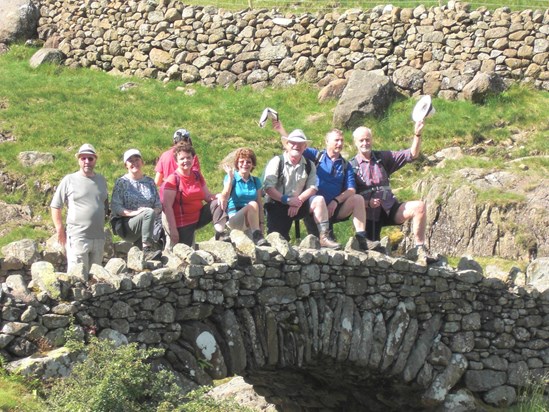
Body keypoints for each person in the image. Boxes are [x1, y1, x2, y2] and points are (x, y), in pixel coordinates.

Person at [273, 121, 382, 252]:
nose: (340, 144)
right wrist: (281, 130)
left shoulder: (346, 165)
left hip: (335, 208)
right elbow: (296, 146)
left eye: (342, 141)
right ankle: (325, 237)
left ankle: (362, 239)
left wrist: (336, 201)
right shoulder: (316, 156)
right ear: (327, 142)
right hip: (314, 206)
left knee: (358, 199)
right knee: (321, 245)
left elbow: (351, 190)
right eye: (336, 140)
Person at [351, 122, 437, 263]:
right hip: (369, 216)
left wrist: (417, 134)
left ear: (372, 140)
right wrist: (367, 203)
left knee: (419, 207)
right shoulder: (351, 166)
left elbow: (412, 154)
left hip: (389, 208)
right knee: (372, 258)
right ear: (355, 142)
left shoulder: (383, 158)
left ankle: (419, 249)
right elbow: (350, 197)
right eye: (361, 140)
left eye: (367, 139)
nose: (365, 143)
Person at [263, 129, 340, 249]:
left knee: (319, 200)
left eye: (300, 144)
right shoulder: (277, 161)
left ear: (305, 147)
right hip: (277, 203)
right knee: (277, 243)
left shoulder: (310, 165)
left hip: (299, 204)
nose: (296, 146)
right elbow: (268, 188)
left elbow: (313, 188)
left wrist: (298, 201)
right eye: (293, 143)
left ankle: (324, 237)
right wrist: (287, 200)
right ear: (287, 145)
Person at [50, 143, 108, 273]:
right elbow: (55, 205)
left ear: (95, 160)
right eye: (83, 158)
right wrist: (59, 229)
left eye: (90, 158)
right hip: (78, 237)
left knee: (97, 280)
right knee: (77, 280)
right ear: (78, 160)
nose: (87, 161)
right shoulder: (69, 179)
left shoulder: (101, 180)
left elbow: (104, 205)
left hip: (98, 237)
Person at [110, 149, 162, 261]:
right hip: (127, 225)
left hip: (147, 225)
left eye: (137, 159)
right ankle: (147, 249)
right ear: (126, 165)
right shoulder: (122, 183)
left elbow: (158, 205)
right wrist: (137, 213)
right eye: (130, 161)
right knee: (148, 212)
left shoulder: (150, 182)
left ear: (142, 162)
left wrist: (152, 212)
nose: (134, 163)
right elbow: (116, 207)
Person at [162, 143, 216, 247]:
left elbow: (208, 197)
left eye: (188, 157)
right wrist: (173, 230)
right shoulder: (173, 180)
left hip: (198, 217)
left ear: (193, 159)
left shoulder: (196, 175)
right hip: (183, 223)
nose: (186, 161)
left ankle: (220, 232)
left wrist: (222, 196)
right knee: (184, 254)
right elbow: (167, 206)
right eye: (182, 159)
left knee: (218, 203)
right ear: (176, 161)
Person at [214, 148, 269, 246]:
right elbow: (224, 196)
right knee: (252, 204)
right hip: (234, 217)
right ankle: (256, 234)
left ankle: (256, 233)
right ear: (237, 164)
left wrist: (262, 224)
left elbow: (260, 205)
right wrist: (230, 178)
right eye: (241, 161)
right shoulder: (232, 178)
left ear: (252, 165)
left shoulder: (256, 181)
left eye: (248, 162)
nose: (245, 164)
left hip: (250, 221)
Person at [154, 128, 200, 200]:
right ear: (188, 140)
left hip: (167, 195)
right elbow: (196, 178)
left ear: (174, 141)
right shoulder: (191, 157)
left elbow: (157, 181)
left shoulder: (164, 155)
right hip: (185, 196)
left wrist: (168, 184)